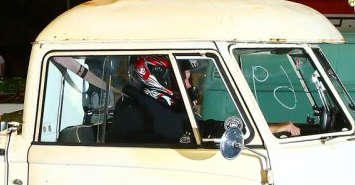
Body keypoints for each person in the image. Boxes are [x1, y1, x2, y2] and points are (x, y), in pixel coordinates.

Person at [108, 56, 300, 144]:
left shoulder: (148, 106)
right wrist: (262, 129)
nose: (190, 86)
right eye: (184, 78)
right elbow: (201, 130)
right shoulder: (139, 112)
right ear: (159, 77)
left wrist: (264, 128)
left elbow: (201, 126)